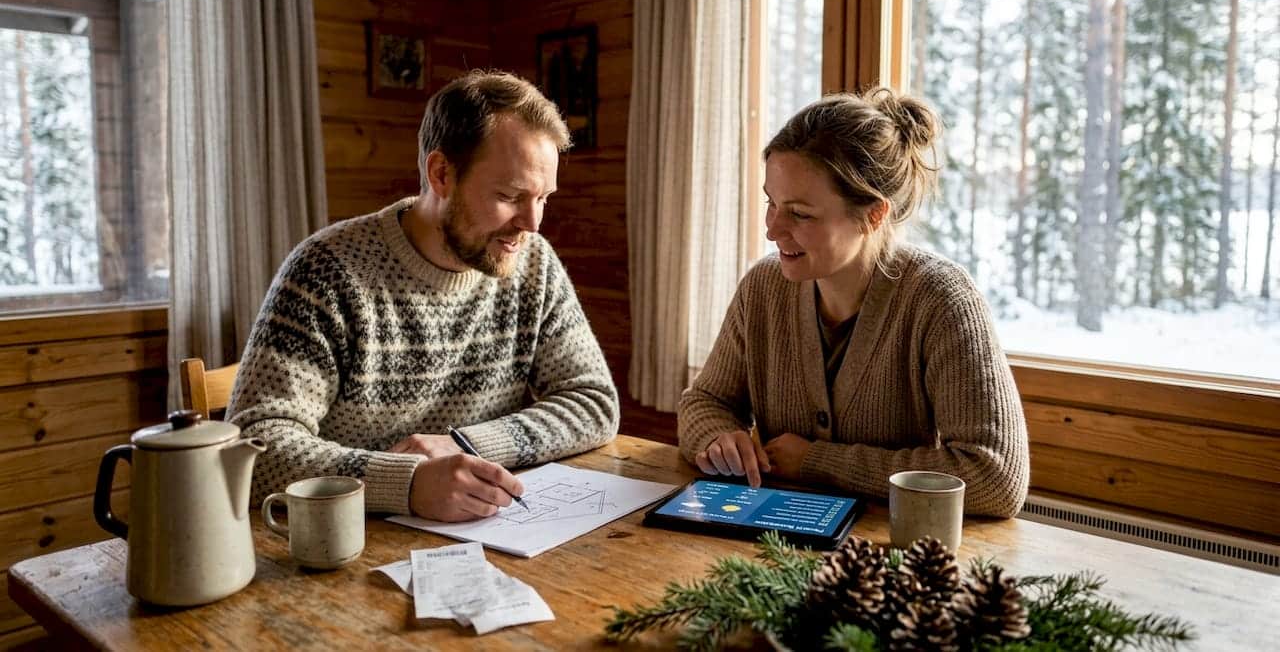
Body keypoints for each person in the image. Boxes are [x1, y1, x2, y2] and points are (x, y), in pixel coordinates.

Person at [229, 70, 619, 522]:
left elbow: (593, 402)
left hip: (484, 542)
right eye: (511, 195)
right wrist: (405, 483)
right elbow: (254, 445)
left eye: (544, 198)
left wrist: (466, 444)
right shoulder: (327, 272)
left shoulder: (535, 265)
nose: (532, 224)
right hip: (344, 547)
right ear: (441, 174)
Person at [678, 88, 1029, 518]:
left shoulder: (942, 300)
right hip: (770, 546)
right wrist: (718, 436)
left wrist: (819, 462)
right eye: (771, 203)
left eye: (800, 213)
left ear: (874, 215)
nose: (773, 230)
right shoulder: (762, 288)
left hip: (896, 559)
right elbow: (704, 402)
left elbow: (994, 478)